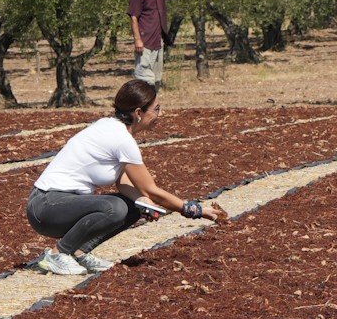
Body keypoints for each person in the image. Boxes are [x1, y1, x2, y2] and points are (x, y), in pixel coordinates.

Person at [25, 79, 226, 275]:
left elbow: (125, 184)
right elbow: (150, 189)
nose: (161, 113)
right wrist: (194, 210)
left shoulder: (114, 129)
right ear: (138, 113)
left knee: (132, 206)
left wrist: (144, 202)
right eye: (156, 109)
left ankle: (78, 251)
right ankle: (58, 254)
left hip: (58, 206)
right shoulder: (121, 139)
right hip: (45, 207)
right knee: (115, 208)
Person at [128, 0, 216, 84]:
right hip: (145, 43)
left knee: (157, 79)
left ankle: (154, 104)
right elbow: (134, 17)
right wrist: (137, 40)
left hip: (158, 41)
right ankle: (141, 103)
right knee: (145, 79)